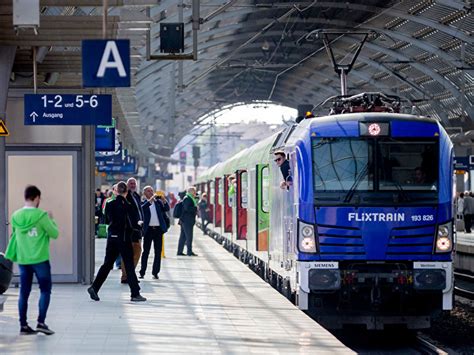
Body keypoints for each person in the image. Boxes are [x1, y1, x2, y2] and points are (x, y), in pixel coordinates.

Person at [5, 185, 59, 335]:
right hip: (40, 259)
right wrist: (52, 220)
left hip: (23, 259)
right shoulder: (42, 216)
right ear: (36, 198)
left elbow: (16, 235)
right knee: (45, 290)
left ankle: (23, 325)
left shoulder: (15, 216)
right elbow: (54, 234)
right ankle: (41, 322)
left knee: (24, 292)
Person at [87, 181, 146, 302]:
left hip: (112, 237)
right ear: (126, 192)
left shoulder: (109, 204)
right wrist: (139, 226)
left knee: (107, 264)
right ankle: (135, 293)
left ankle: (94, 287)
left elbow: (107, 219)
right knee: (129, 265)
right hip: (124, 238)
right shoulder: (128, 205)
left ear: (115, 191)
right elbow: (133, 223)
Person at [139, 186, 170, 280]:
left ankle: (155, 272)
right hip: (148, 230)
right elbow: (142, 209)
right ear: (144, 193)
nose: (151, 193)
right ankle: (142, 272)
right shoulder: (143, 203)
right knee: (146, 252)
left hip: (158, 230)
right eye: (148, 191)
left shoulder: (158, 202)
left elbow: (167, 208)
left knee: (158, 252)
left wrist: (164, 200)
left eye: (152, 191)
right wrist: (150, 201)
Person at [121, 178, 144, 284]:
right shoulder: (126, 196)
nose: (133, 185)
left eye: (134, 183)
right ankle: (126, 276)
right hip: (129, 230)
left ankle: (130, 274)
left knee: (137, 252)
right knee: (128, 253)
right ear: (127, 185)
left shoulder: (137, 196)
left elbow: (139, 211)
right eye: (130, 183)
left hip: (138, 229)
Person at [177, 187, 198, 256]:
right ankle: (189, 252)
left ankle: (180, 251)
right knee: (189, 236)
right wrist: (195, 208)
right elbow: (187, 208)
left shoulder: (189, 198)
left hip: (186, 220)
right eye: (194, 191)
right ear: (191, 192)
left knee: (183, 236)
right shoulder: (187, 198)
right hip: (187, 220)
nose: (195, 193)